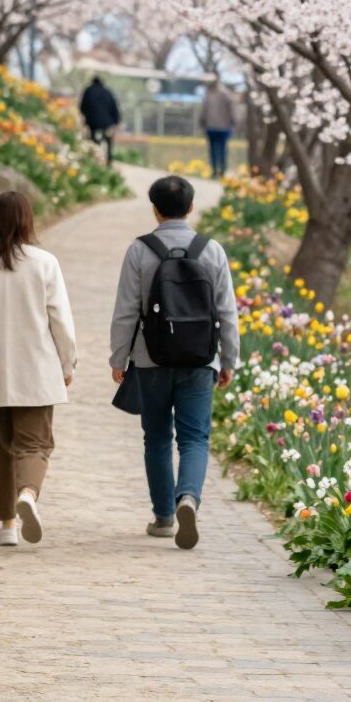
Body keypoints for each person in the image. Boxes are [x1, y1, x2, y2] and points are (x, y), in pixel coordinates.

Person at [109, 174, 240, 548]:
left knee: (156, 438)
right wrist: (228, 360)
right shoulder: (211, 250)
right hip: (200, 359)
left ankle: (164, 518)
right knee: (195, 438)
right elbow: (227, 312)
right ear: (192, 206)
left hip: (151, 359)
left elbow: (125, 311)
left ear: (154, 208)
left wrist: (119, 357)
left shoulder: (140, 250)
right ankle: (189, 497)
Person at [0, 191, 77, 546]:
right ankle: (28, 495)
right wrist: (67, 364)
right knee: (34, 443)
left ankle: (6, 525)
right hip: (36, 369)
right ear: (27, 220)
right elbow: (61, 322)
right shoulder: (45, 263)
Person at [196, 79, 238, 177]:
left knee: (213, 149)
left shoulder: (209, 95)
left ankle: (215, 170)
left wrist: (202, 123)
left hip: (211, 126)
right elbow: (233, 111)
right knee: (223, 148)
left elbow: (203, 110)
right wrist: (234, 123)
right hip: (225, 127)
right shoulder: (228, 95)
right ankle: (223, 169)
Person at [78, 74, 121, 163]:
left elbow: (82, 107)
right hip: (107, 122)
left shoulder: (88, 91)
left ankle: (94, 160)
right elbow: (114, 107)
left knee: (94, 142)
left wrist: (87, 118)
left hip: (93, 122)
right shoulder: (107, 92)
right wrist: (116, 121)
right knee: (108, 141)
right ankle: (109, 160)